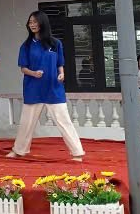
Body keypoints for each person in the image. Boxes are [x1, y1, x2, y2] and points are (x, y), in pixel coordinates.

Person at [7, 10, 84, 162]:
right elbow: (23, 68)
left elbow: (60, 64)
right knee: (27, 122)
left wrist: (62, 74)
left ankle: (77, 152)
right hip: (33, 88)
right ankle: (19, 150)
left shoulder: (55, 43)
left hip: (53, 88)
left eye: (35, 22)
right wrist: (33, 73)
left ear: (43, 23)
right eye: (30, 22)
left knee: (64, 120)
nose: (32, 25)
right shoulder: (26, 46)